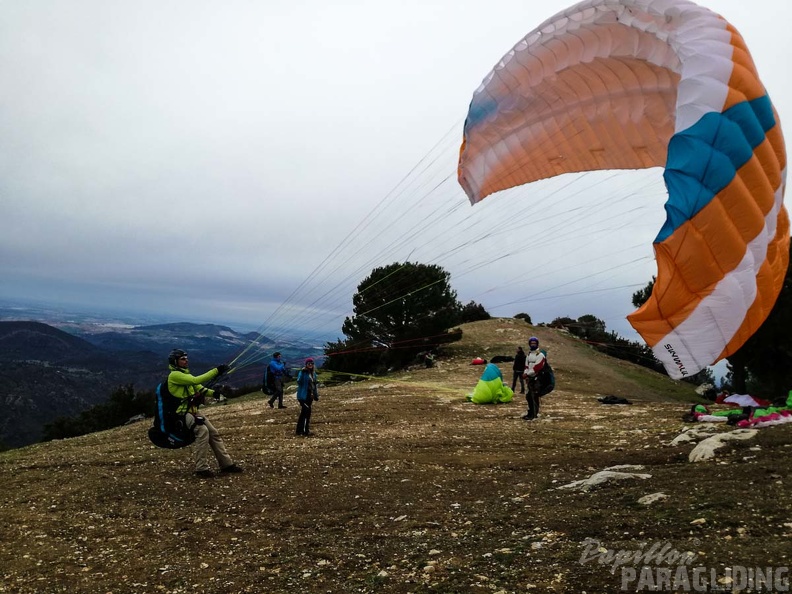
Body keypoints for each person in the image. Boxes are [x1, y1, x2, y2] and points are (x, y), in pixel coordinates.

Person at [167, 349, 243, 478]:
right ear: (175, 362)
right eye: (183, 359)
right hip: (182, 414)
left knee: (213, 433)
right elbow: (197, 380)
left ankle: (226, 464)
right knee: (203, 432)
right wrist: (216, 371)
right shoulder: (175, 375)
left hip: (193, 411)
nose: (186, 360)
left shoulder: (185, 375)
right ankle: (201, 468)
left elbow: (200, 389)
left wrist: (214, 393)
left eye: (186, 358)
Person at [521, 337, 547, 421]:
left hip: (537, 378)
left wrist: (527, 374)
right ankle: (531, 412)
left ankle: (534, 413)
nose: (533, 345)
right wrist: (525, 373)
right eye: (531, 344)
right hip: (530, 378)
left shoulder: (540, 355)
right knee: (529, 396)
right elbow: (526, 366)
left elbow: (537, 367)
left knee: (534, 396)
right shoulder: (529, 355)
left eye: (534, 344)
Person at [295, 358, 319, 436]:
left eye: (311, 363)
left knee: (304, 413)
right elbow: (299, 381)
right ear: (306, 365)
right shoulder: (303, 373)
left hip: (310, 396)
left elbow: (314, 386)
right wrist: (302, 372)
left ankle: (299, 431)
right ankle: (305, 431)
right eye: (309, 364)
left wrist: (316, 395)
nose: (310, 365)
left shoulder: (314, 374)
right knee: (306, 412)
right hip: (303, 396)